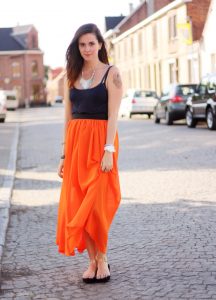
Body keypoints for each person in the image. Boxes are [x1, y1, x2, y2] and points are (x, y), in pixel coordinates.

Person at [56, 23, 122, 284]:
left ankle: (103, 258)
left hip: (101, 143)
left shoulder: (111, 73)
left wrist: (109, 149)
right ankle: (92, 261)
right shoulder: (70, 75)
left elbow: (113, 115)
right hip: (76, 144)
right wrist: (63, 155)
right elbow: (67, 117)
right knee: (79, 202)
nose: (86, 48)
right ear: (77, 46)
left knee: (97, 205)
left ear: (100, 45)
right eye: (82, 44)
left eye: (91, 43)